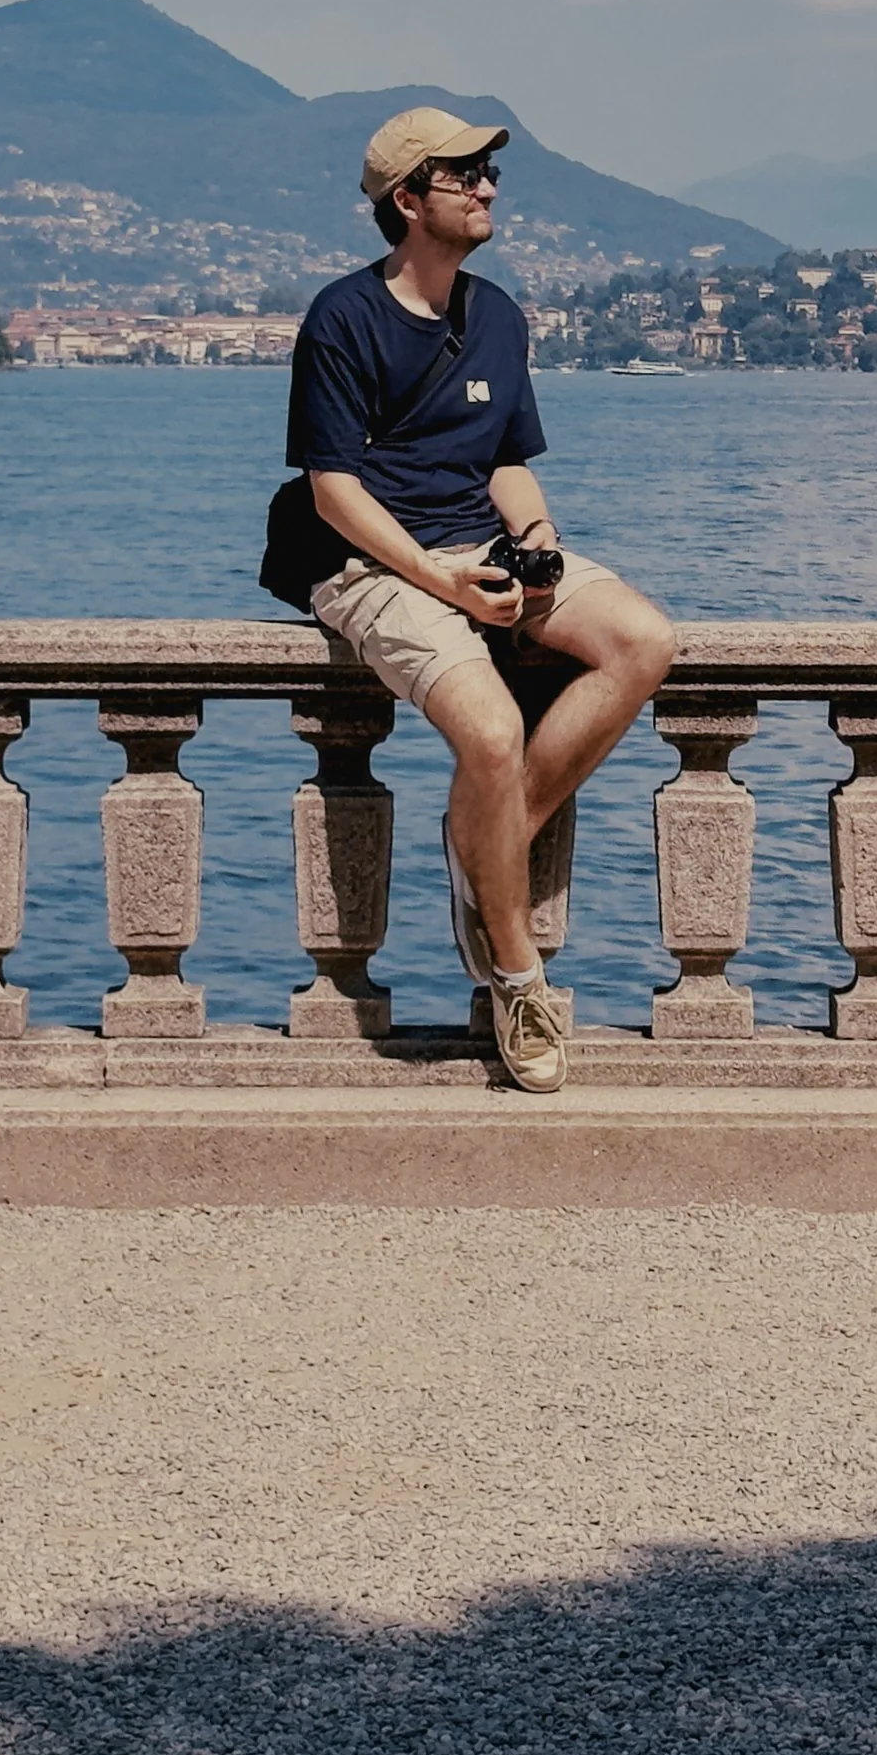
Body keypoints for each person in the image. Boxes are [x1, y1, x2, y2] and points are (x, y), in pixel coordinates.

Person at [287, 106, 674, 1093]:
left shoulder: (498, 315)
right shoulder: (343, 317)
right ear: (407, 201)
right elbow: (333, 491)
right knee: (492, 735)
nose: (487, 188)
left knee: (643, 640)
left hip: (483, 545)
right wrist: (438, 576)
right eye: (462, 176)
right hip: (374, 565)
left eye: (488, 172)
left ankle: (481, 842)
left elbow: (507, 462)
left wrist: (536, 546)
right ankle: (515, 972)